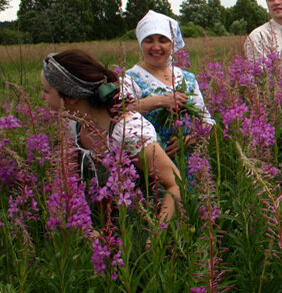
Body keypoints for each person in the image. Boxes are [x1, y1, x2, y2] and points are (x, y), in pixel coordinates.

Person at [41, 50, 182, 222]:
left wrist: (157, 235)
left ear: (70, 97)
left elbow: (174, 184)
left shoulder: (128, 132)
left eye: (46, 91)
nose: (42, 97)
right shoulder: (73, 125)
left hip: (140, 230)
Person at [124, 10, 216, 155]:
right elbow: (120, 113)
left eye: (163, 40)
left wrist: (192, 138)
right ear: (141, 43)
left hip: (190, 165)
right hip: (151, 167)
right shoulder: (130, 79)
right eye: (149, 40)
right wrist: (161, 100)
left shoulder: (187, 78)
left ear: (172, 44)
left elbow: (207, 121)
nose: (156, 47)